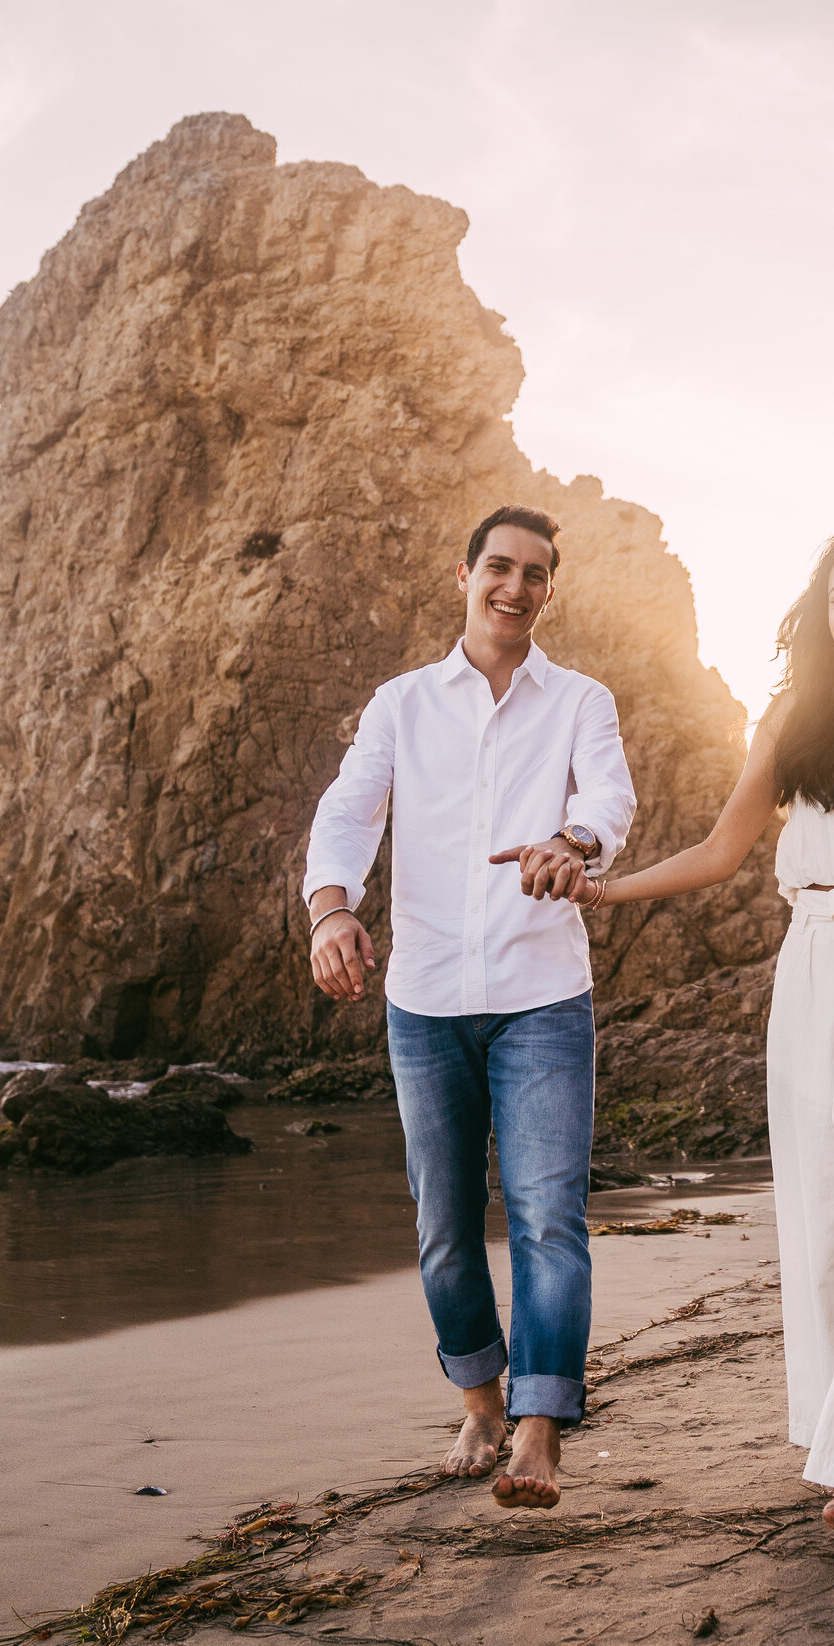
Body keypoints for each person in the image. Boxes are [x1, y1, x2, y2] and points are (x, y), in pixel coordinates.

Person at [532, 526, 834, 1542]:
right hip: (818, 969)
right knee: (829, 1218)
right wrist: (608, 886)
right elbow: (722, 847)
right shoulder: (794, 724)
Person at [303, 504, 635, 1512]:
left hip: (543, 992)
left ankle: (539, 1426)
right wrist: (330, 912)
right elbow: (348, 811)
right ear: (464, 574)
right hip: (427, 996)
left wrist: (570, 843)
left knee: (548, 1221)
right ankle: (482, 1400)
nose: (515, 586)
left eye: (536, 573)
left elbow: (610, 801)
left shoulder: (580, 699)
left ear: (549, 588)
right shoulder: (402, 703)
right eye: (499, 566)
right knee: (444, 1226)